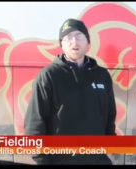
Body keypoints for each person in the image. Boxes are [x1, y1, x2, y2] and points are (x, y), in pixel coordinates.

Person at [24, 18, 117, 165]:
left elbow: (110, 116)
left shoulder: (102, 75)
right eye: (68, 37)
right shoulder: (49, 75)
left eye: (79, 35)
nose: (74, 41)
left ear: (88, 42)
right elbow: (35, 123)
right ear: (62, 44)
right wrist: (41, 159)